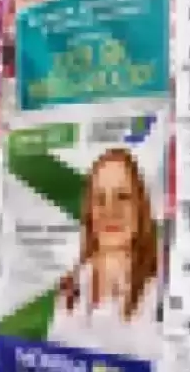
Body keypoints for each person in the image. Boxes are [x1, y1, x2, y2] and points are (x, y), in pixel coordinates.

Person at [47, 147, 160, 358]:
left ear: (140, 208)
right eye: (100, 199)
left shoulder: (158, 291)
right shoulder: (70, 289)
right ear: (90, 212)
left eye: (122, 197)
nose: (110, 210)